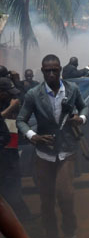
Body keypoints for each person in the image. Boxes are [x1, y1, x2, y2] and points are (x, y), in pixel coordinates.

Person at [17, 54, 89, 238]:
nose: (51, 74)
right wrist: (33, 136)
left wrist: (80, 118)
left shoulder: (72, 89)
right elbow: (20, 120)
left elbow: (84, 107)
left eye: (54, 70)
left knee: (66, 196)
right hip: (44, 154)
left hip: (66, 150)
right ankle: (51, 234)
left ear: (60, 71)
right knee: (46, 201)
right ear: (42, 71)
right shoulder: (33, 94)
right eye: (47, 70)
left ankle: (69, 232)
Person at [0, 76, 34, 222]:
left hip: (10, 153)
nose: (12, 96)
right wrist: (9, 109)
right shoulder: (9, 106)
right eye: (8, 92)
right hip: (3, 152)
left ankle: (25, 220)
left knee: (13, 190)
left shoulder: (12, 103)